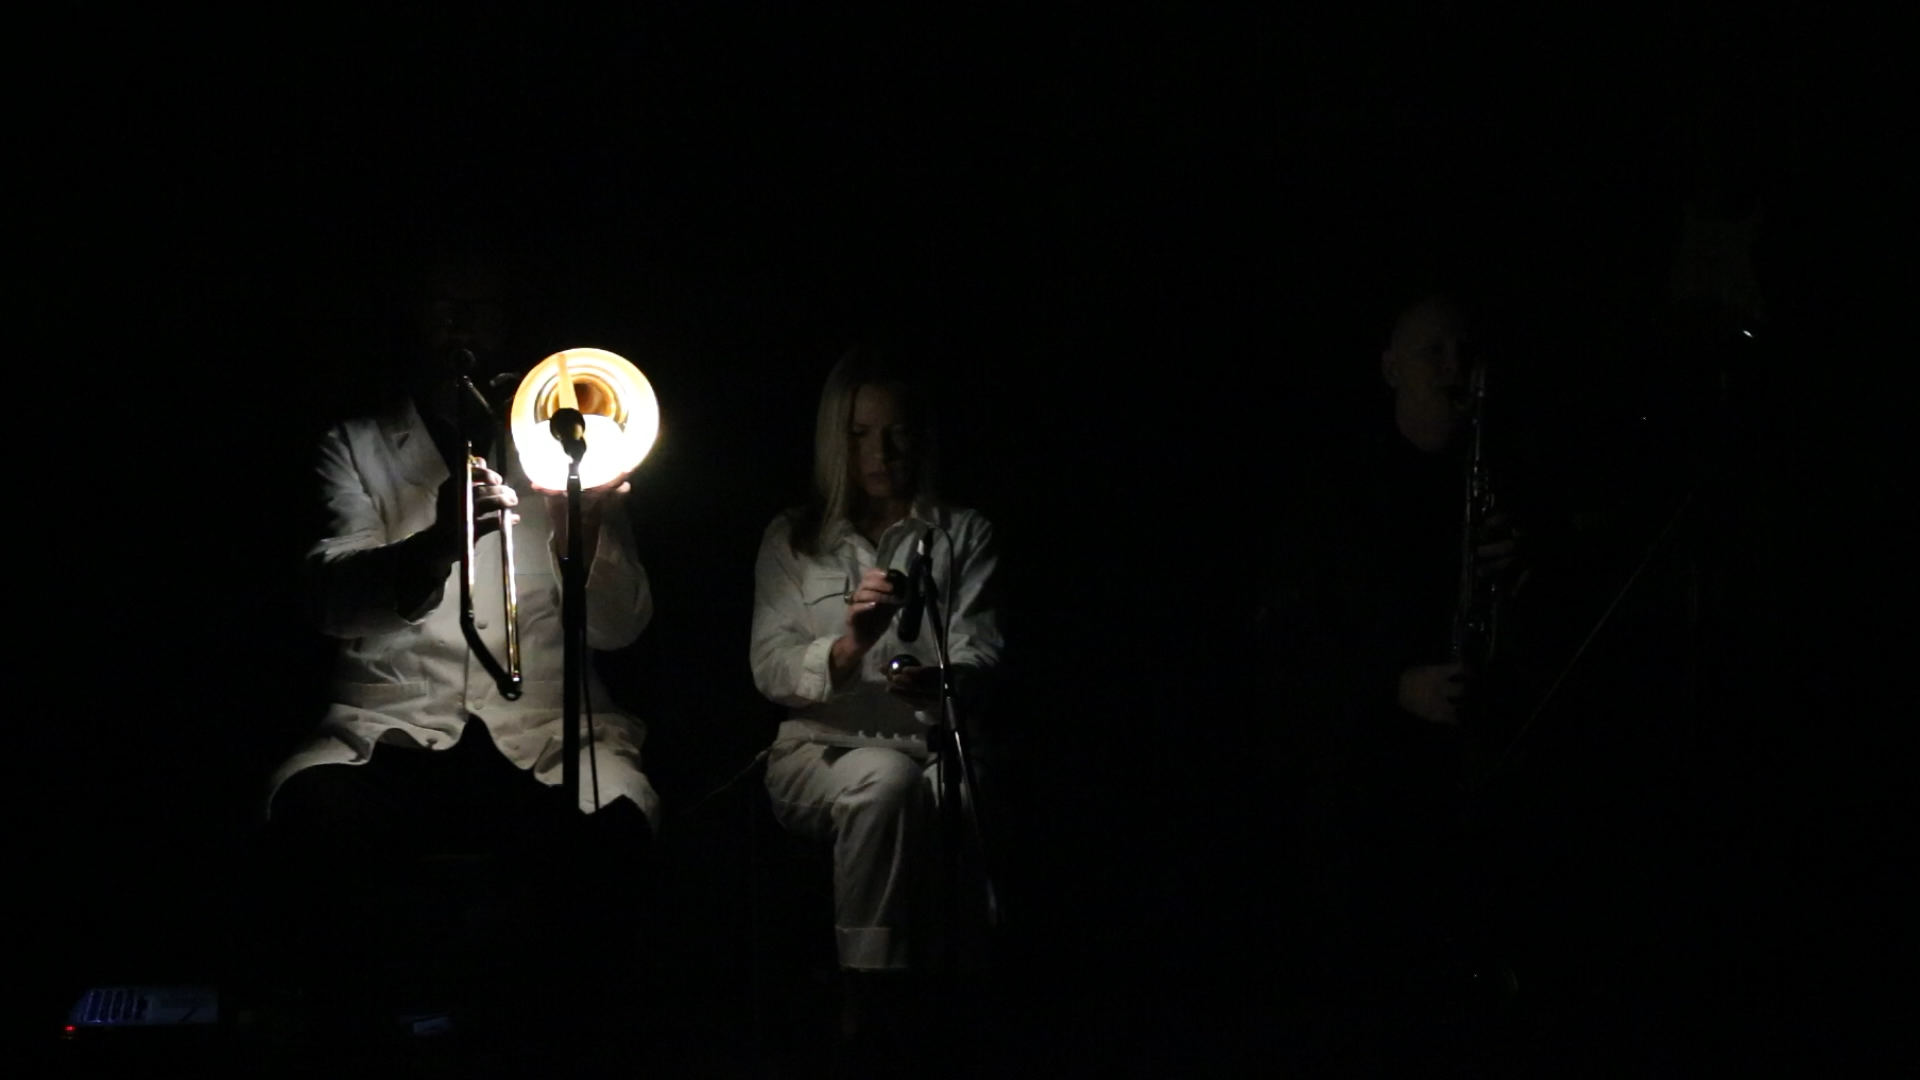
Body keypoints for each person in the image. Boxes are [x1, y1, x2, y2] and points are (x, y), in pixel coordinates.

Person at [259, 247, 660, 1050]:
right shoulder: (357, 445)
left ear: (507, 322)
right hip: (389, 731)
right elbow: (328, 599)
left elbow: (622, 629)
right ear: (415, 319)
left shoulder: (568, 444)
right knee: (316, 824)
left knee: (611, 839)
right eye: (445, 308)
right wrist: (432, 548)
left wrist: (585, 536)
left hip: (546, 733)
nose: (461, 329)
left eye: (479, 310)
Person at [749, 346, 1003, 1065]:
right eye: (860, 434)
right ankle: (869, 996)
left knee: (959, 793)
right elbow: (770, 667)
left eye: (896, 432)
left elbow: (981, 650)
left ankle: (960, 994)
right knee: (883, 783)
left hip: (930, 740)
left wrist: (941, 679)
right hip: (820, 748)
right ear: (837, 439)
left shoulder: (961, 532)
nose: (880, 453)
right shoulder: (795, 538)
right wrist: (849, 644)